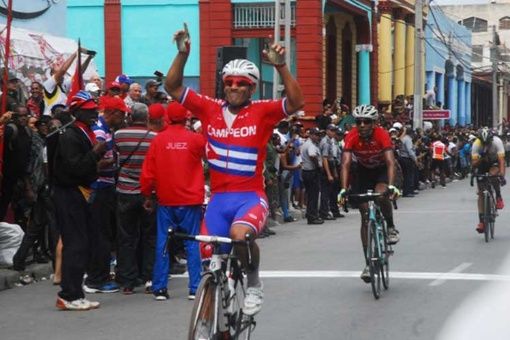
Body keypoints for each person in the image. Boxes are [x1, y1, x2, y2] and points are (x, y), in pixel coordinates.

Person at [164, 24, 304, 315]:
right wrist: (182, 54)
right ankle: (211, 321)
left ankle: (253, 283)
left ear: (251, 87)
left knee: (241, 236)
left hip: (249, 197)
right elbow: (173, 87)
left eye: (241, 83)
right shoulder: (209, 108)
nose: (234, 87)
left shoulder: (263, 111)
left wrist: (282, 68)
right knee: (207, 261)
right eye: (229, 82)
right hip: (217, 200)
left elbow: (296, 102)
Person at [140, 101, 205, 301]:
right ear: (186, 117)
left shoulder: (158, 141)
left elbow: (148, 172)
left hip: (166, 199)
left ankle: (160, 288)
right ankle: (195, 288)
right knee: (192, 243)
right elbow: (212, 158)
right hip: (190, 199)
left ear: (168, 117)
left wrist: (147, 195)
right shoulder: (195, 140)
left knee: (163, 242)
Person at [52, 90, 106, 310]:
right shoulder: (71, 135)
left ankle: (75, 292)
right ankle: (69, 295)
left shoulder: (83, 132)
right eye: (89, 110)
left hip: (78, 193)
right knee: (75, 244)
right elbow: (76, 167)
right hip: (69, 194)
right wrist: (95, 154)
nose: (94, 113)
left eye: (94, 109)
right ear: (77, 112)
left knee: (81, 243)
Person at [338, 105, 400, 283]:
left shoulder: (382, 134)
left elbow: (390, 162)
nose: (362, 125)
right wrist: (343, 188)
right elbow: (345, 164)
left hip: (381, 170)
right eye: (359, 122)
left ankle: (390, 226)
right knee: (365, 214)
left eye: (366, 122)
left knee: (381, 195)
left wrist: (392, 186)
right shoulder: (352, 136)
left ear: (374, 123)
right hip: (363, 172)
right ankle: (368, 263)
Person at [83, 96, 128, 294]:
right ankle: (96, 280)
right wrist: (113, 163)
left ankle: (98, 273)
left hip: (106, 187)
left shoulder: (108, 130)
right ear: (112, 113)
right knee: (100, 235)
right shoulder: (100, 132)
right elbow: (93, 162)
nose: (124, 118)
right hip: (99, 188)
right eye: (122, 114)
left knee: (104, 234)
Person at [114, 102, 157, 294]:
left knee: (126, 237)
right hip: (148, 193)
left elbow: (115, 159)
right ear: (147, 118)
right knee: (149, 236)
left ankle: (128, 281)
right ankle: (148, 278)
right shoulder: (154, 138)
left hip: (124, 191)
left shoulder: (119, 136)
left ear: (130, 117)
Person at [471, 127, 506, 234]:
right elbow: (474, 164)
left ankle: (498, 196)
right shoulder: (476, 144)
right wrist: (481, 157)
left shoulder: (497, 142)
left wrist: (502, 175)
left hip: (494, 161)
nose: (485, 144)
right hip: (482, 162)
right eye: (483, 142)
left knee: (494, 175)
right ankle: (481, 221)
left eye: (487, 142)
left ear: (491, 139)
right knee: (481, 194)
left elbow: (501, 161)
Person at [301, 128, 324, 225]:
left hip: (306, 171)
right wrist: (318, 165)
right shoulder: (310, 145)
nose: (317, 136)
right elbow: (312, 156)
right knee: (313, 195)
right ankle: (312, 216)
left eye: (318, 135)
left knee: (311, 194)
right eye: (315, 134)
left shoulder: (307, 143)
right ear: (311, 135)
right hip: (311, 171)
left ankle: (310, 214)